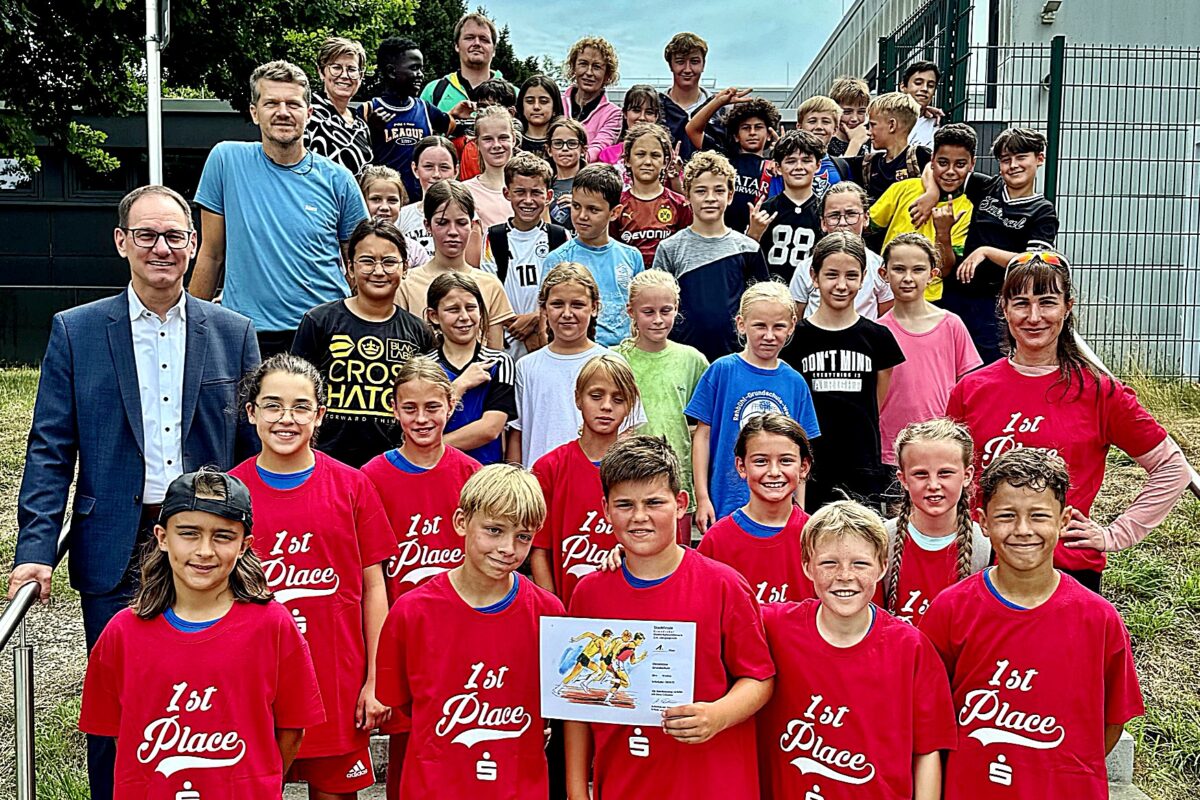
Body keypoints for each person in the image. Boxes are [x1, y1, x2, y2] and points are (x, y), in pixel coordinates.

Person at [9, 184, 259, 800]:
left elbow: (250, 455)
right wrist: (35, 550)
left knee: (207, 701)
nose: (161, 248)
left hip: (208, 545)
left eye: (174, 236)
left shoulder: (233, 332)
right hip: (115, 545)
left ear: (194, 243)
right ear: (121, 242)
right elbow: (49, 447)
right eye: (146, 235)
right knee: (117, 704)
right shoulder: (77, 331)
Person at [946, 251, 1191, 592]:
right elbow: (950, 476)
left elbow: (1172, 468)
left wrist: (1116, 534)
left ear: (1067, 307)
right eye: (1021, 303)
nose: (1034, 317)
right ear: (1004, 308)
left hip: (1068, 570)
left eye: (1047, 302)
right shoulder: (971, 389)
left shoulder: (1100, 392)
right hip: (984, 565)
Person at [78, 469, 324, 800]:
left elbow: (293, 729)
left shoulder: (272, 625)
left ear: (244, 545)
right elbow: (119, 734)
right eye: (189, 533)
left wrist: (256, 783)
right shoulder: (122, 633)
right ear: (162, 537)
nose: (205, 550)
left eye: (223, 536)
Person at [921, 448, 1145, 799]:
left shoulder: (1098, 618)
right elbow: (927, 717)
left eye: (1039, 515)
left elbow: (1112, 722)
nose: (1023, 530)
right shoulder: (950, 610)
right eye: (1006, 516)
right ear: (983, 521)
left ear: (1064, 520)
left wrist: (1060, 771)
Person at [564, 436, 775, 800]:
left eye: (654, 502)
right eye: (625, 504)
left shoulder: (723, 585)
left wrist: (718, 715)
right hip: (626, 782)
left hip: (712, 784)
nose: (639, 516)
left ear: (680, 504)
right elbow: (576, 708)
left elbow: (759, 678)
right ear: (606, 509)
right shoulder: (589, 593)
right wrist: (576, 790)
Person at [230, 354, 397, 798]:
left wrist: (376, 679)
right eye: (272, 405)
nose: (286, 418)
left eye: (301, 407)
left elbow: (374, 588)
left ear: (320, 415)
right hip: (253, 684)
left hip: (336, 682)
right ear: (252, 412)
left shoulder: (352, 486)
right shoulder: (230, 492)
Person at [375, 464, 563, 799]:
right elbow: (402, 703)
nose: (508, 548)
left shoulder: (548, 613)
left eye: (523, 536)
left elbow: (554, 706)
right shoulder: (411, 612)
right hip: (434, 788)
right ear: (461, 522)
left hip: (518, 788)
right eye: (494, 530)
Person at [758, 500, 956, 799]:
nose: (845, 575)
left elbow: (927, 751)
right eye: (829, 563)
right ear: (807, 566)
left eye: (860, 564)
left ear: (882, 567)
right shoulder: (773, 627)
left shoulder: (911, 648)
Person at [359, 355, 482, 799]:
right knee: (409, 758)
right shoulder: (371, 477)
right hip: (404, 643)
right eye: (410, 408)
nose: (422, 419)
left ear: (451, 405)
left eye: (432, 407)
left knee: (464, 746)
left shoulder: (471, 476)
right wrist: (376, 670)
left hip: (463, 640)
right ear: (394, 409)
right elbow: (372, 581)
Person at [190, 60, 368, 358]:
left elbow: (360, 263)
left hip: (325, 332)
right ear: (254, 112)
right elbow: (211, 254)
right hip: (247, 334)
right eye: (271, 103)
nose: (283, 112)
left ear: (309, 113)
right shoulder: (226, 161)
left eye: (293, 104)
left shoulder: (339, 179)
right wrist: (190, 328)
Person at [291, 218, 433, 468]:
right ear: (350, 268)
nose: (378, 271)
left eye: (389, 262)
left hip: (393, 465)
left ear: (405, 267)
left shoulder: (418, 331)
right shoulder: (319, 322)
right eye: (367, 261)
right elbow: (294, 393)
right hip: (326, 463)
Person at [782, 232, 905, 512]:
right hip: (810, 465)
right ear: (814, 276)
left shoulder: (878, 338)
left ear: (863, 278)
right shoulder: (794, 340)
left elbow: (877, 402)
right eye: (831, 275)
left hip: (861, 462)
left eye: (851, 276)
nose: (841, 285)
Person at [917, 128, 1059, 363]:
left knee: (985, 364)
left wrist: (986, 252)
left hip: (996, 304)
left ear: (1039, 158)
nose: (1013, 165)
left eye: (1021, 157)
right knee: (943, 359)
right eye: (1006, 160)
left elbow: (1034, 263)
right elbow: (931, 167)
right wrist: (932, 193)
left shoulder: (1042, 211)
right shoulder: (987, 187)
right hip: (955, 291)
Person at [687, 281, 821, 529]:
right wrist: (702, 497)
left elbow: (802, 450)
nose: (769, 335)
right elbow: (702, 437)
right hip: (725, 504)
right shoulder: (722, 371)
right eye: (760, 326)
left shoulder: (795, 382)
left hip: (780, 508)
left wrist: (800, 507)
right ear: (741, 324)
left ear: (792, 326)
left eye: (778, 326)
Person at [507, 263, 645, 467]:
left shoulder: (611, 362)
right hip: (538, 480)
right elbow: (517, 433)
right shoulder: (526, 367)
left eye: (577, 305)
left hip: (596, 479)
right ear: (543, 309)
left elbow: (627, 431)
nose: (567, 313)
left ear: (594, 307)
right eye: (557, 304)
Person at [531, 355, 641, 606]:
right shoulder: (550, 468)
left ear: (630, 405)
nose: (606, 406)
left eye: (618, 399)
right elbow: (540, 549)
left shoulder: (640, 469)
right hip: (569, 609)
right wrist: (554, 610)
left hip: (630, 612)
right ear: (578, 398)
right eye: (596, 396)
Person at [615, 270, 708, 542]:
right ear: (631, 312)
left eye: (665, 311)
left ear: (676, 308)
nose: (658, 320)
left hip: (677, 479)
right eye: (648, 312)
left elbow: (703, 427)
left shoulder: (692, 360)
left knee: (676, 556)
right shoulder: (616, 359)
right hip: (627, 476)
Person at [652, 151, 770, 361]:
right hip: (682, 359)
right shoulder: (670, 248)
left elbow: (762, 307)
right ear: (687, 195)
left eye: (719, 190)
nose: (710, 198)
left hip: (735, 358)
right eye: (701, 191)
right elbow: (658, 306)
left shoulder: (748, 248)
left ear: (730, 195)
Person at [877, 234, 981, 466]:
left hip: (942, 446)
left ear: (932, 275)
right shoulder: (876, 331)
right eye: (899, 269)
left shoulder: (951, 324)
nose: (908, 278)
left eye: (918, 270)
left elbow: (969, 388)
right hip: (890, 450)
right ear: (884, 273)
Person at [696, 413, 816, 604]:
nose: (774, 472)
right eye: (761, 461)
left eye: (786, 460)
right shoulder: (717, 540)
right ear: (741, 466)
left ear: (803, 467)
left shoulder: (816, 536)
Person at [884, 418, 990, 625]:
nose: (933, 485)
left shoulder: (986, 545)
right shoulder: (882, 540)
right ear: (903, 479)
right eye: (920, 474)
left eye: (945, 473)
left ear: (967, 475)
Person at [396, 180, 514, 349]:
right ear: (427, 225)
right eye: (442, 223)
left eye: (461, 223)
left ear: (472, 225)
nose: (452, 232)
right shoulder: (406, 284)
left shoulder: (490, 285)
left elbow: (495, 353)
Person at [868, 123, 977, 303]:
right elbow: (867, 227)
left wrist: (943, 232)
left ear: (972, 164)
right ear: (932, 160)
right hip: (886, 293)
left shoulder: (966, 208)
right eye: (943, 163)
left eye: (960, 164)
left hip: (928, 298)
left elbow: (944, 270)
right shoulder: (903, 189)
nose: (950, 171)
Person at [541, 163, 644, 347]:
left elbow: (639, 313)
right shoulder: (558, 259)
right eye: (576, 206)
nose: (582, 216)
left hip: (623, 355)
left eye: (593, 209)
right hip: (576, 353)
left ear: (614, 212)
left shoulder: (632, 256)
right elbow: (545, 322)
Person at [364, 37, 472, 204]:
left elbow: (452, 127)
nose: (420, 75)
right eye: (414, 68)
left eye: (421, 68)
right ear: (391, 71)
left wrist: (456, 116)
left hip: (423, 203)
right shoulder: (369, 110)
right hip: (387, 203)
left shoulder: (425, 109)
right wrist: (371, 131)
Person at [481, 151, 567, 359]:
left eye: (536, 193)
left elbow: (566, 289)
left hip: (549, 339)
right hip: (507, 340)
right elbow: (489, 291)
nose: (528, 200)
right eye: (520, 192)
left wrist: (536, 318)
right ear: (507, 193)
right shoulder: (494, 236)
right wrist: (516, 323)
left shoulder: (559, 236)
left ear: (548, 196)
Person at [425, 273, 516, 464]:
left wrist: (429, 447)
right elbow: (423, 421)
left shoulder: (499, 362)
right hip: (435, 471)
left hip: (484, 475)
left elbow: (490, 429)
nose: (464, 317)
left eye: (471, 308)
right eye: (452, 309)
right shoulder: (424, 367)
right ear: (433, 316)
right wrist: (459, 386)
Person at [789, 181, 894, 320]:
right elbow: (796, 319)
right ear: (823, 222)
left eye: (851, 214)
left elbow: (885, 318)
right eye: (834, 216)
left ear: (866, 218)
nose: (843, 223)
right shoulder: (806, 268)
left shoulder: (879, 268)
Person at [686, 91, 782, 234]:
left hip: (760, 238)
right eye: (745, 128)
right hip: (722, 236)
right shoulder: (723, 160)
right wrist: (719, 102)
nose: (752, 132)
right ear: (736, 136)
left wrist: (783, 155)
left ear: (769, 134)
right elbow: (692, 129)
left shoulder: (775, 168)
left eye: (758, 127)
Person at [747, 129, 824, 284]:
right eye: (790, 161)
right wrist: (753, 234)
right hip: (771, 291)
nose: (799, 167)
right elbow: (747, 261)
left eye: (806, 160)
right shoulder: (764, 210)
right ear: (778, 167)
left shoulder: (825, 210)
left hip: (811, 291)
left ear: (818, 165)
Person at [612, 122, 691, 268]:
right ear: (627, 160)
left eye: (655, 155)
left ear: (665, 162)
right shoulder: (616, 205)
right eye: (640, 154)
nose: (648, 162)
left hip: (668, 279)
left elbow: (687, 252)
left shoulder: (680, 204)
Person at [395, 136, 480, 266]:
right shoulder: (402, 216)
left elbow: (472, 268)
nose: (436, 174)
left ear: (456, 171)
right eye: (428, 167)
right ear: (415, 169)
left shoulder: (468, 217)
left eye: (444, 167)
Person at [306, 36, 372, 177]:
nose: (344, 75)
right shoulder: (308, 114)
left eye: (351, 69)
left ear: (360, 76)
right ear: (321, 72)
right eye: (336, 68)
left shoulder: (361, 124)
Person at [850, 92, 931, 202]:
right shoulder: (869, 163)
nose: (869, 132)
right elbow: (836, 164)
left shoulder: (920, 156)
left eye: (873, 125)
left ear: (892, 125)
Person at [419, 12, 503, 113]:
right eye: (469, 38)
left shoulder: (515, 94)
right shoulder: (433, 91)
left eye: (484, 39)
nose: (477, 43)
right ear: (457, 46)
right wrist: (449, 118)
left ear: (494, 50)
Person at [658, 32, 723, 161]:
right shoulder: (656, 107)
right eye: (680, 62)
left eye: (694, 62)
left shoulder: (720, 110)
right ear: (671, 65)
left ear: (703, 65)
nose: (687, 69)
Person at [561, 36, 623, 160]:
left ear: (607, 74)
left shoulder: (614, 114)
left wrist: (572, 160)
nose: (589, 72)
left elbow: (600, 146)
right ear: (573, 68)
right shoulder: (556, 102)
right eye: (583, 64)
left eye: (596, 67)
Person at [462, 105, 519, 228]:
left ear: (513, 139)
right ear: (477, 143)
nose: (496, 145)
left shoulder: (530, 187)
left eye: (503, 138)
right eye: (488, 139)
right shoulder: (465, 192)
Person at [594, 85, 664, 177]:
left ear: (656, 117)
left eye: (649, 112)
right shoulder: (608, 155)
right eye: (636, 110)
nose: (642, 117)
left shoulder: (665, 153)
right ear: (625, 113)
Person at [456, 78, 516, 182]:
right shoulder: (464, 142)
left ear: (511, 112)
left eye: (495, 107)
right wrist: (453, 118)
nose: (487, 113)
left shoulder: (523, 151)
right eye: (482, 108)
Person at [794, 95, 852, 195]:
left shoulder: (842, 166)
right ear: (799, 127)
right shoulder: (786, 165)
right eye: (812, 121)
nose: (819, 127)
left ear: (835, 130)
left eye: (825, 122)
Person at [546, 116, 588, 229]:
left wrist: (580, 206)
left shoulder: (593, 183)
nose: (565, 148)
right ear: (549, 150)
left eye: (572, 143)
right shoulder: (543, 184)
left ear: (583, 150)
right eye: (558, 143)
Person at [515, 74, 564, 159]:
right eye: (530, 101)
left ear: (555, 108)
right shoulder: (513, 142)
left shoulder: (564, 143)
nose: (536, 107)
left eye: (543, 101)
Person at [827, 75, 871, 158]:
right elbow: (839, 167)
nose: (855, 118)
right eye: (847, 112)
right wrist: (855, 142)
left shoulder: (871, 139)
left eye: (861, 112)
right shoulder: (825, 143)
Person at [900, 61, 941, 149]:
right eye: (918, 83)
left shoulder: (938, 123)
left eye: (931, 85)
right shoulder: (885, 119)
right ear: (903, 87)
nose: (925, 89)